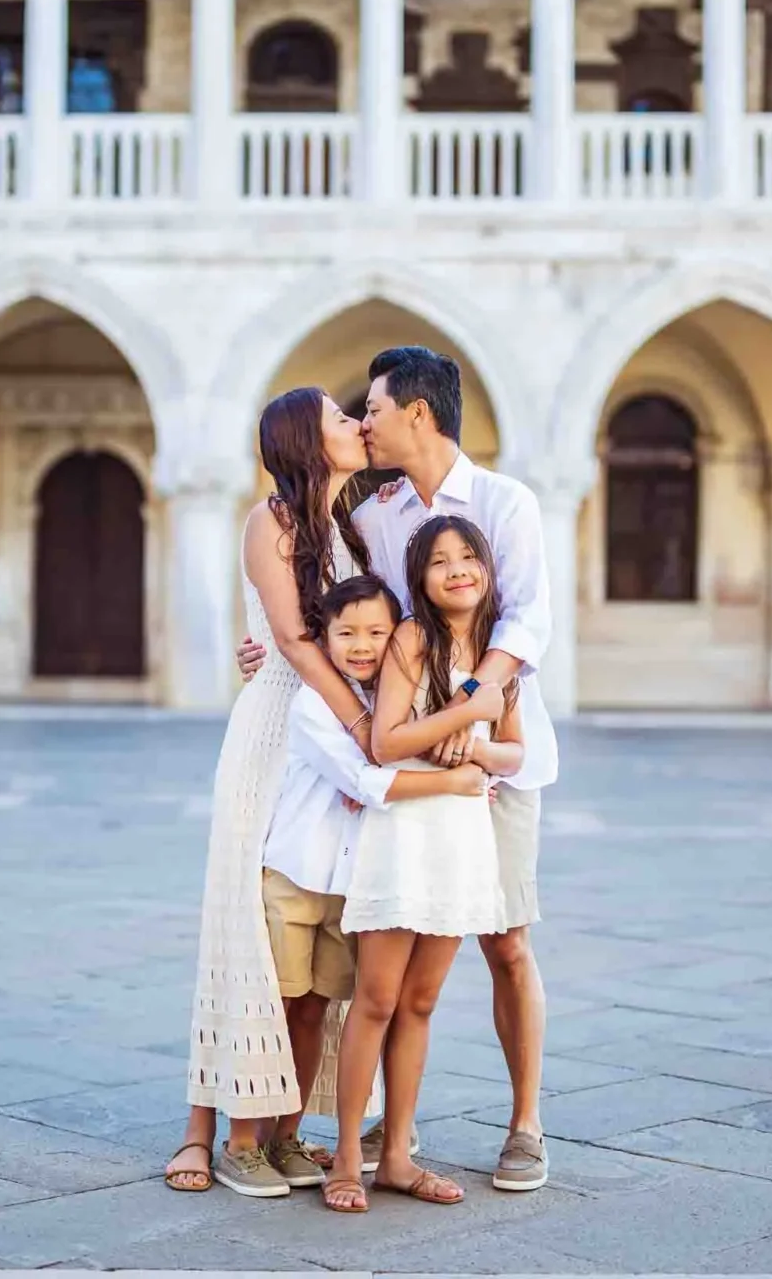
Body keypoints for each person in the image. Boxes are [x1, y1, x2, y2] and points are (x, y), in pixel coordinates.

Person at [239, 345, 554, 1193]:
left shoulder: (502, 502)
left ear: (417, 412)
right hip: (403, 760)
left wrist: (475, 710)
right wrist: (268, 646)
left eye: (370, 409)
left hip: (490, 755)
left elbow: (526, 621)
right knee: (384, 976)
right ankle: (377, 1136)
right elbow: (353, 616)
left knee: (508, 940)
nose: (363, 421)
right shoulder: (373, 513)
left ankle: (524, 1123)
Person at [165, 387, 374, 1199]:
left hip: (331, 729)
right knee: (244, 926)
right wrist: (359, 718)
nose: (356, 425)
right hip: (275, 737)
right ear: (305, 441)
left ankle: (285, 1126)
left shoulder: (353, 527)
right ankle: (206, 1128)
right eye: (338, 419)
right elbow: (289, 638)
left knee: (320, 938)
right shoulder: (272, 521)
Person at [261, 572, 491, 1191]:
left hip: (351, 881)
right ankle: (243, 1140)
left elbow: (493, 740)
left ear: (398, 638)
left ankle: (288, 1137)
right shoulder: (316, 702)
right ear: (324, 638)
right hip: (297, 873)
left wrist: (471, 740)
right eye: (347, 634)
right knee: (278, 1007)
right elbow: (370, 777)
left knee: (318, 1012)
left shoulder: (392, 693)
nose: (362, 645)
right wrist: (455, 778)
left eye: (376, 633)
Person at [325, 516, 525, 1214]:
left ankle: (400, 1155)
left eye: (468, 556)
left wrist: (473, 746)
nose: (457, 570)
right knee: (376, 997)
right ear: (421, 578)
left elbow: (512, 752)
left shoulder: (500, 654)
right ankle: (349, 1157)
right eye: (440, 561)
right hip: (406, 830)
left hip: (461, 834)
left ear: (487, 568)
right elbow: (386, 741)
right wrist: (463, 717)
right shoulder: (413, 639)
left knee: (421, 1001)